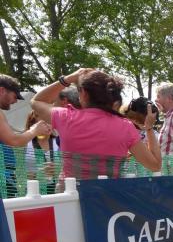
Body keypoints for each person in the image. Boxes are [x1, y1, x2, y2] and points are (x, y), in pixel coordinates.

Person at [31, 68, 161, 178]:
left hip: (70, 194)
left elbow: (36, 101)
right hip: (108, 196)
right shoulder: (126, 127)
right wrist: (149, 128)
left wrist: (69, 78)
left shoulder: (66, 117)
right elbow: (155, 165)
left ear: (84, 94)